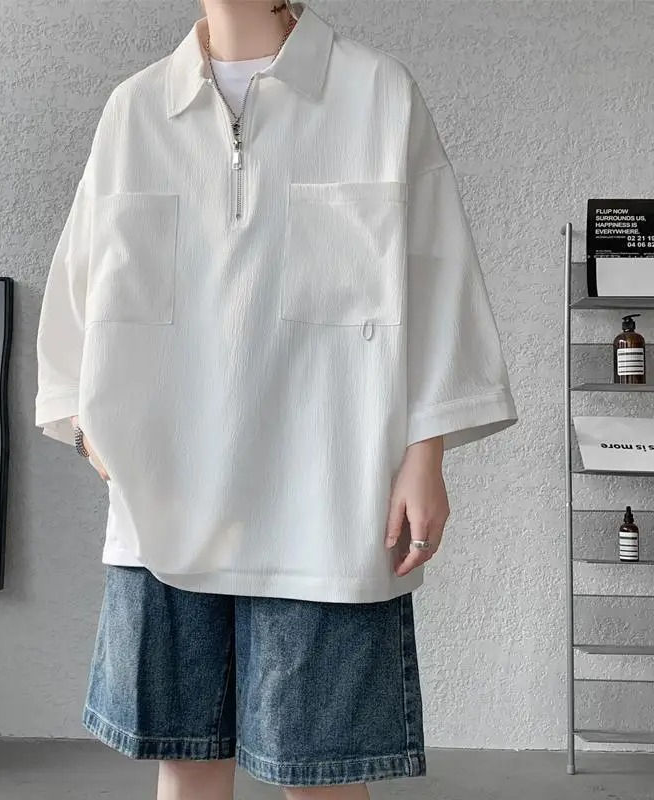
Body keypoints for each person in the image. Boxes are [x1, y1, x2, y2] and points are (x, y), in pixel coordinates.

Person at [35, 1, 518, 797]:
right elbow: (78, 287)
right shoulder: (136, 109)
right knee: (188, 760)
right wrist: (89, 430)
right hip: (165, 500)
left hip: (327, 497)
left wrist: (425, 453)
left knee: (321, 774)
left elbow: (438, 278)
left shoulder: (376, 93)